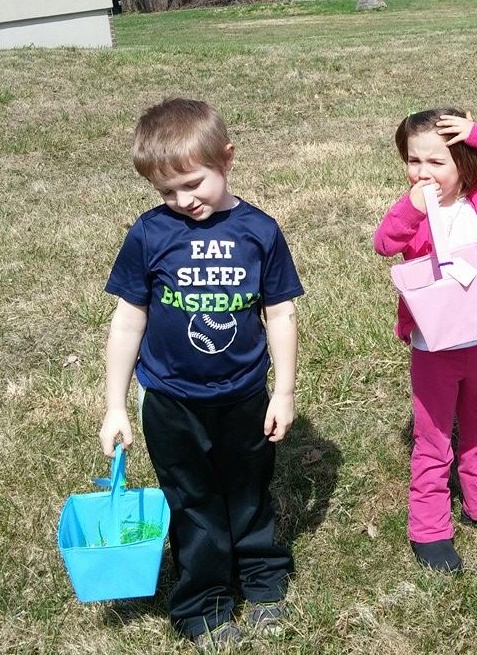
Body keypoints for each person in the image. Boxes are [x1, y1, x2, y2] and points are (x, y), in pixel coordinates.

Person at [98, 98, 302, 648]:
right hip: (170, 400)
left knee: (249, 491)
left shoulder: (260, 231)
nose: (183, 201)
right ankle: (204, 604)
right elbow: (127, 321)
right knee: (192, 500)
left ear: (227, 159)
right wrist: (116, 405)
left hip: (244, 397)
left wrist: (281, 392)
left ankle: (262, 580)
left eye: (193, 183)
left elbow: (280, 314)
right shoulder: (149, 234)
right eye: (167, 192)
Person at [374, 108, 477, 573]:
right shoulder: (417, 211)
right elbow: (385, 243)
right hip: (434, 345)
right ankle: (429, 525)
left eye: (436, 162)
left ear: (464, 162)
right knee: (433, 437)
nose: (422, 173)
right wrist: (412, 207)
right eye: (413, 161)